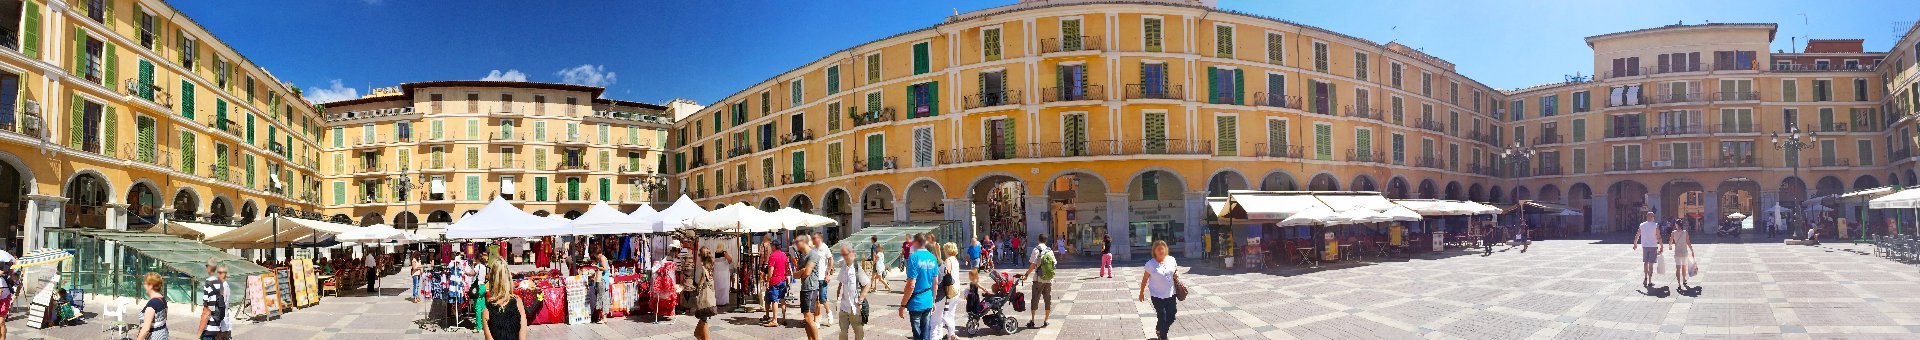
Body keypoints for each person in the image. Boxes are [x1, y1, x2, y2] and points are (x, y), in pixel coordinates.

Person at [1138, 240, 1180, 340]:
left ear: (1166, 249)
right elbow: (1144, 279)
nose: (1161, 251)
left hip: (1171, 294)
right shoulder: (1150, 264)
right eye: (1159, 249)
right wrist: (1141, 292)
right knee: (1162, 317)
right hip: (1157, 295)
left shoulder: (1171, 259)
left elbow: (1175, 269)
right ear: (1154, 251)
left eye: (1163, 248)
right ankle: (1163, 336)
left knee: (1172, 315)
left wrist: (1177, 273)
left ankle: (1159, 329)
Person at [900, 233, 939, 340]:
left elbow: (911, 285)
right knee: (926, 334)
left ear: (916, 242)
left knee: (917, 335)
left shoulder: (913, 257)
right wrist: (933, 301)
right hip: (928, 300)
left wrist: (902, 305)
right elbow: (935, 283)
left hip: (916, 302)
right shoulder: (932, 258)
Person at [482, 256, 526, 340]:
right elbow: (523, 337)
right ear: (508, 277)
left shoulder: (486, 311)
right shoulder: (518, 302)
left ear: (491, 279)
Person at [834, 244, 871, 340]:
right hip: (844, 307)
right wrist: (837, 301)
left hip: (855, 308)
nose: (844, 257)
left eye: (845, 254)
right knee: (842, 333)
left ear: (852, 253)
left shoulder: (857, 268)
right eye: (842, 254)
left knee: (858, 333)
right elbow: (841, 283)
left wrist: (861, 299)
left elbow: (867, 284)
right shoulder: (843, 266)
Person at [1022, 235, 1057, 328]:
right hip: (1048, 280)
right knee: (1047, 300)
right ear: (1046, 241)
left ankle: (1033, 320)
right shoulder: (1050, 250)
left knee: (1035, 299)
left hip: (1038, 279)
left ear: (1038, 240)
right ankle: (1046, 320)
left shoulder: (1036, 250)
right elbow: (1054, 264)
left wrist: (1026, 275)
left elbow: (1033, 265)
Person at [688, 238, 718, 340]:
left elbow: (702, 281)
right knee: (703, 320)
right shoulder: (710, 265)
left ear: (701, 256)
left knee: (704, 319)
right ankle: (700, 336)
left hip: (705, 297)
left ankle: (704, 338)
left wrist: (698, 288)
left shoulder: (704, 267)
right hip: (710, 294)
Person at [796, 235, 825, 340]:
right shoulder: (802, 256)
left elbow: (807, 272)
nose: (795, 244)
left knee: (809, 318)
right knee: (806, 318)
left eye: (797, 242)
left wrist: (803, 271)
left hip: (811, 288)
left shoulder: (813, 255)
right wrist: (802, 271)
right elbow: (795, 275)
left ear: (803, 242)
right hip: (804, 288)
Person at [196, 259, 232, 340]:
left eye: (221, 273)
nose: (219, 275)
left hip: (212, 326)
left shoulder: (210, 283)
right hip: (219, 322)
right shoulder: (221, 284)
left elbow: (207, 311)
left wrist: (199, 333)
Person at [761, 239, 791, 327]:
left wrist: (768, 281)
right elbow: (787, 268)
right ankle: (784, 318)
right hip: (783, 279)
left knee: (774, 300)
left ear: (773, 246)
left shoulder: (773, 256)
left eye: (771, 246)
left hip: (775, 280)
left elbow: (771, 270)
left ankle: (774, 320)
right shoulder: (784, 255)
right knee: (782, 299)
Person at [1632, 211, 1665, 287]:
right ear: (1650, 217)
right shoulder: (1655, 225)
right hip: (1653, 246)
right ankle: (1650, 281)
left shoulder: (1642, 225)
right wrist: (1661, 246)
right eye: (1653, 216)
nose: (1654, 218)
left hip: (1645, 246)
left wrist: (1635, 244)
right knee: (1651, 264)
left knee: (1645, 263)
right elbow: (1658, 236)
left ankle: (1645, 278)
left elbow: (1637, 235)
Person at [135, 273, 169, 340]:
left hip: (154, 336)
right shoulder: (162, 299)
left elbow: (146, 329)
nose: (144, 285)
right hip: (162, 335)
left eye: (145, 283)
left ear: (150, 285)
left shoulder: (152, 304)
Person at [939, 242, 961, 340]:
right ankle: (951, 334)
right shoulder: (955, 260)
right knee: (951, 311)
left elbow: (946, 273)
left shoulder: (948, 260)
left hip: (950, 288)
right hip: (957, 287)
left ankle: (949, 333)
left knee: (945, 313)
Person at [1670, 222, 1696, 289]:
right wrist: (1692, 250)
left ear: (1677, 225)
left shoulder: (1673, 233)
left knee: (1678, 268)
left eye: (1675, 224)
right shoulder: (1685, 232)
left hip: (1677, 252)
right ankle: (1684, 279)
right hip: (1684, 252)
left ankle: (1679, 284)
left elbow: (1670, 242)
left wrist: (1670, 246)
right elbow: (1688, 242)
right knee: (1684, 267)